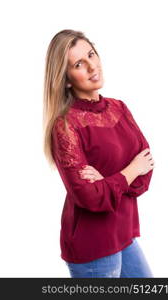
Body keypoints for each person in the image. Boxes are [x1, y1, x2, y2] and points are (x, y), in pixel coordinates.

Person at [42, 29, 155, 278]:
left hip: (124, 235)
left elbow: (147, 167)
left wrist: (106, 182)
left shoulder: (119, 108)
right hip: (93, 246)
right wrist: (129, 170)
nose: (93, 67)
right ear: (67, 79)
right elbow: (89, 198)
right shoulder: (66, 126)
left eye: (91, 55)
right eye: (79, 64)